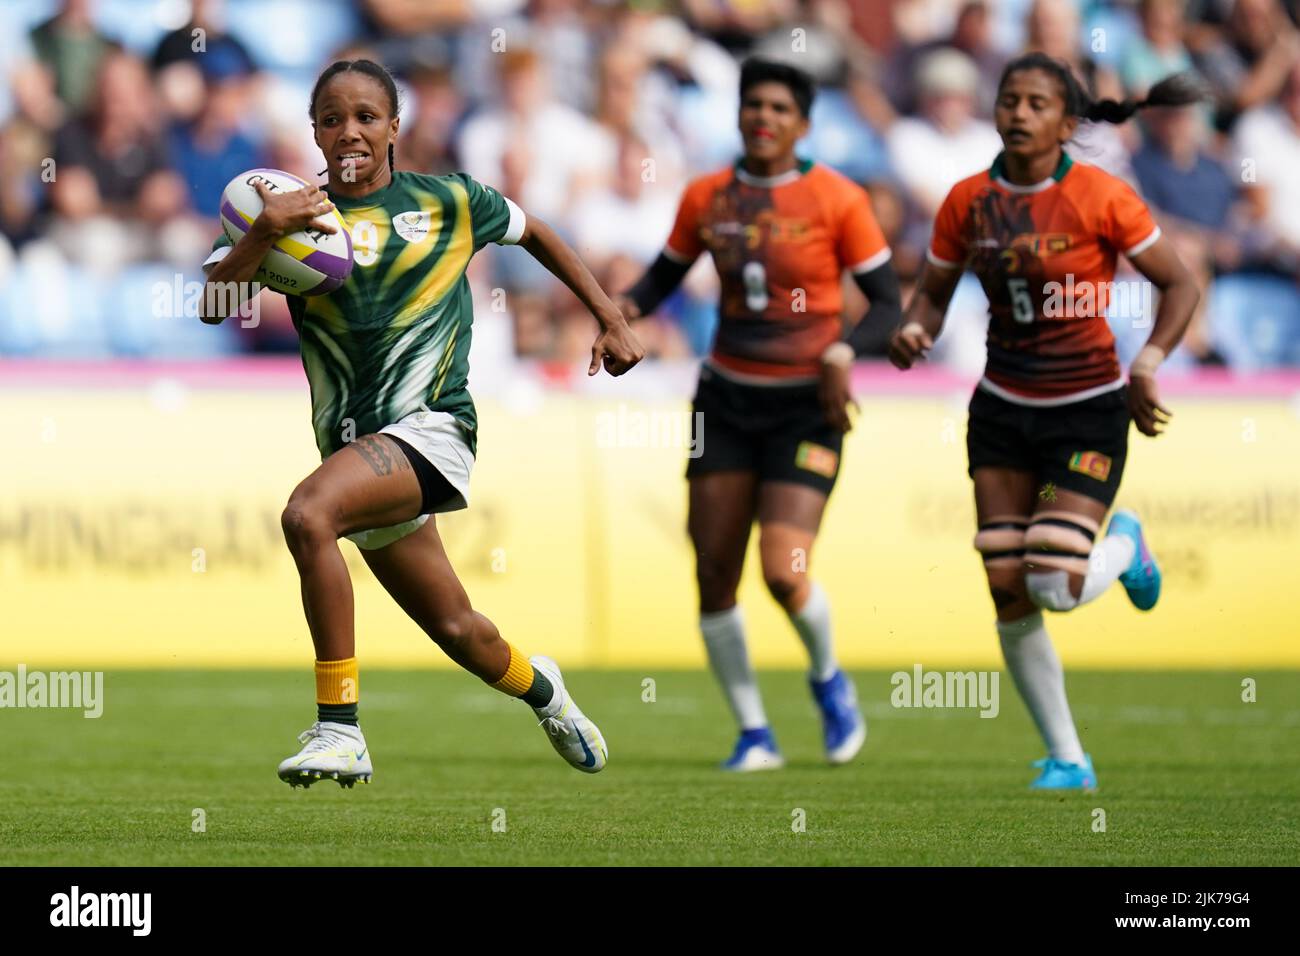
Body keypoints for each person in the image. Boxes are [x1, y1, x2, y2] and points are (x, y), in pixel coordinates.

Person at [199, 59, 643, 788]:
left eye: (367, 117)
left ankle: (339, 730)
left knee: (308, 516)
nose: (350, 133)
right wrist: (263, 233)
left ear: (395, 128)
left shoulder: (452, 202)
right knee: (459, 630)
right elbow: (214, 307)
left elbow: (539, 235)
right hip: (358, 451)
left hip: (434, 431)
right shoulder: (285, 220)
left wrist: (609, 316)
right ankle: (546, 691)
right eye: (333, 118)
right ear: (313, 130)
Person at [889, 53, 1202, 790]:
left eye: (1037, 103)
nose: (1020, 113)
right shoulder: (966, 201)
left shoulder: (1101, 197)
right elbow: (933, 291)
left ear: (1067, 124)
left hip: (1085, 410)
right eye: (1010, 100)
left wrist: (1151, 360)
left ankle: (1125, 544)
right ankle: (1069, 758)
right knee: (1007, 586)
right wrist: (914, 327)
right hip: (1000, 409)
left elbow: (1182, 280)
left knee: (1054, 585)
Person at [619, 58, 902, 771]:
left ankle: (829, 680)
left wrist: (842, 349)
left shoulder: (839, 199)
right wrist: (614, 313)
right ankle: (754, 733)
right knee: (714, 571)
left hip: (809, 405)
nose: (763, 118)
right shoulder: (708, 195)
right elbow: (660, 280)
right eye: (754, 105)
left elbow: (891, 305)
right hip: (726, 399)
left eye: (779, 107)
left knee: (783, 571)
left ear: (803, 124)